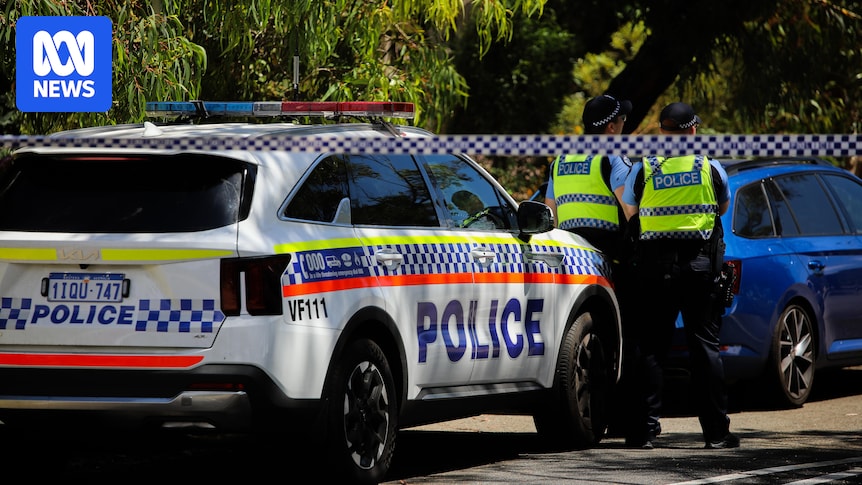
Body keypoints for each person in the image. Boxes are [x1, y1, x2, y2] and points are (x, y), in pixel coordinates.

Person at [621, 102, 737, 450]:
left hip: (655, 269)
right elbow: (722, 208)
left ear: (662, 132)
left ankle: (642, 432)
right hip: (699, 268)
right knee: (704, 348)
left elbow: (630, 211)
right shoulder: (711, 167)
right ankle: (716, 435)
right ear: (692, 131)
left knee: (651, 347)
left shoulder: (643, 169)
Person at [543, 94, 638, 438]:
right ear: (611, 127)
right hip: (609, 259)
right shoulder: (612, 157)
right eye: (623, 123)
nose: (624, 128)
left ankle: (591, 413)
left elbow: (549, 213)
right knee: (623, 344)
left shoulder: (562, 160)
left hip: (571, 259)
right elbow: (630, 210)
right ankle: (623, 420)